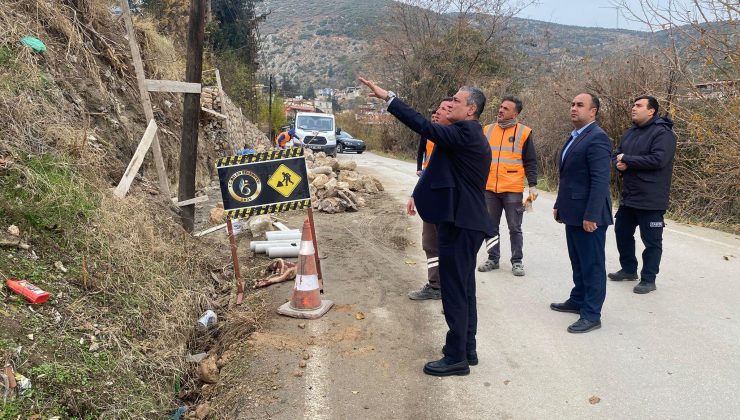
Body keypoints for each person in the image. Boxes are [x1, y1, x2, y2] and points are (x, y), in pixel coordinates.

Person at [359, 76, 493, 377]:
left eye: (456, 101)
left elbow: (422, 125)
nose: (450, 105)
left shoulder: (466, 132)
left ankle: (455, 356)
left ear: (470, 109)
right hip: (463, 221)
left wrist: (388, 98)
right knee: (465, 289)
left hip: (461, 224)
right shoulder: (466, 133)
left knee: (455, 292)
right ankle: (467, 349)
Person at [550, 93, 613, 334]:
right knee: (578, 260)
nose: (574, 108)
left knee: (592, 264)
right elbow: (568, 177)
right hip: (572, 210)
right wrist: (559, 203)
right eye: (572, 104)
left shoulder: (597, 138)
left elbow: (600, 181)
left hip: (589, 215)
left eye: (580, 105)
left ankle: (591, 314)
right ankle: (578, 299)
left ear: (593, 111)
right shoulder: (575, 136)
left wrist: (592, 215)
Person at [609, 96, 677, 294]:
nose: (633, 108)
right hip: (629, 196)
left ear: (651, 111)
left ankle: (649, 278)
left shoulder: (664, 134)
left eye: (639, 106)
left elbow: (658, 160)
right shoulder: (630, 132)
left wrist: (627, 160)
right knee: (622, 232)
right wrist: (619, 164)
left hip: (651, 198)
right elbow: (617, 154)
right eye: (633, 105)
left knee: (652, 241)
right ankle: (629, 270)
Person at [477, 96, 538, 276]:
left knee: (514, 227)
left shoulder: (524, 132)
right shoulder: (487, 130)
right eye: (501, 107)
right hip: (489, 188)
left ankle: (517, 261)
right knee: (490, 226)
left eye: (506, 108)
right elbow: (479, 158)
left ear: (515, 113)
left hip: (512, 189)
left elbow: (531, 161)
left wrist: (533, 185)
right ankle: (493, 258)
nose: (501, 110)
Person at [407, 98, 453, 300]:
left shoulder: (458, 141)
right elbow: (427, 170)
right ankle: (435, 285)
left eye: (445, 109)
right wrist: (415, 194)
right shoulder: (436, 140)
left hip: (450, 206)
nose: (438, 112)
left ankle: (452, 292)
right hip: (432, 201)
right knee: (430, 243)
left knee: (449, 247)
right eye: (439, 108)